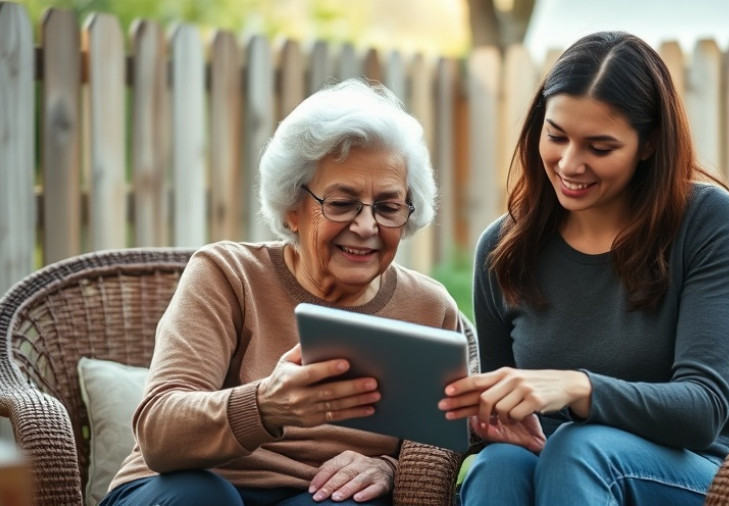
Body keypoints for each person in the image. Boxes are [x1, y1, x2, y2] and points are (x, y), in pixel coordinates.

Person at [100, 78, 460, 506]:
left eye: (388, 206)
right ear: (293, 207)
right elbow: (159, 433)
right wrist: (266, 406)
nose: (367, 227)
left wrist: (389, 466)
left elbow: (441, 442)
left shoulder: (429, 308)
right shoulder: (226, 274)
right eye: (341, 203)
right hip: (186, 488)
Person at [438, 31, 729, 505]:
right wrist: (483, 416)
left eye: (599, 147)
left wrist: (576, 387)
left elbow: (703, 408)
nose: (569, 163)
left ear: (647, 145)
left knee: (578, 447)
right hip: (555, 466)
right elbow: (510, 421)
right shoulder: (503, 247)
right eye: (556, 135)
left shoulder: (707, 221)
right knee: (498, 466)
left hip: (691, 472)